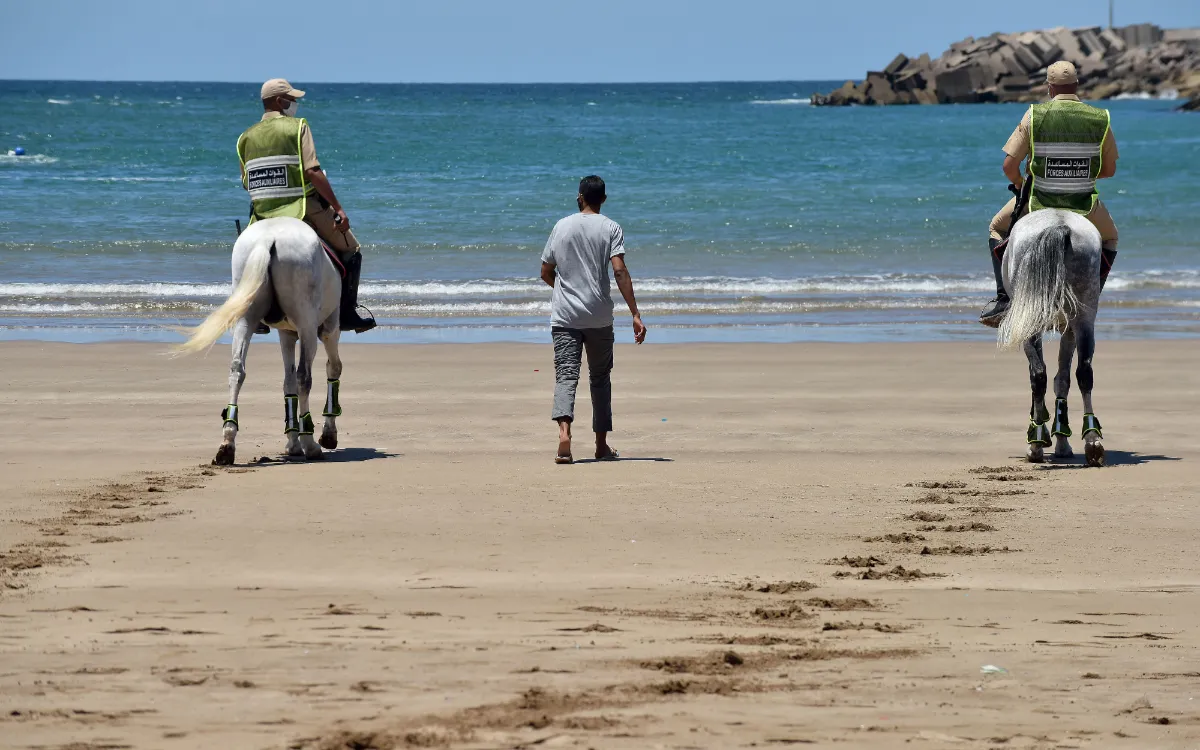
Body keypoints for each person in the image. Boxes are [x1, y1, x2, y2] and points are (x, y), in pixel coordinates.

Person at [980, 61, 1120, 327]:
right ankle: (1091, 295)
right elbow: (1109, 169)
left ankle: (1003, 300)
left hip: (1038, 202)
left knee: (996, 228)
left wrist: (1022, 185)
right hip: (1084, 205)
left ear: (1049, 87)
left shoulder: (1034, 114)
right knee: (1111, 238)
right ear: (1077, 85)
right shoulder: (1101, 117)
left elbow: (1009, 167)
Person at [237, 78, 376, 334]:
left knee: (245, 256)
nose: (295, 104)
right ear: (280, 101)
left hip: (261, 216)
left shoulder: (245, 137)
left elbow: (247, 183)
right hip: (302, 207)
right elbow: (313, 171)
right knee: (352, 249)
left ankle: (251, 313)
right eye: (292, 99)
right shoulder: (298, 127)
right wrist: (339, 209)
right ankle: (347, 312)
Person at [540, 176, 647, 465]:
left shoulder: (561, 226)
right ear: (604, 199)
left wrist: (564, 292)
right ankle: (600, 446)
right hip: (599, 315)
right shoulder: (611, 228)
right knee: (599, 379)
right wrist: (635, 314)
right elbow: (620, 271)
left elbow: (546, 271)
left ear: (580, 197)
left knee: (566, 375)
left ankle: (564, 434)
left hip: (565, 316)